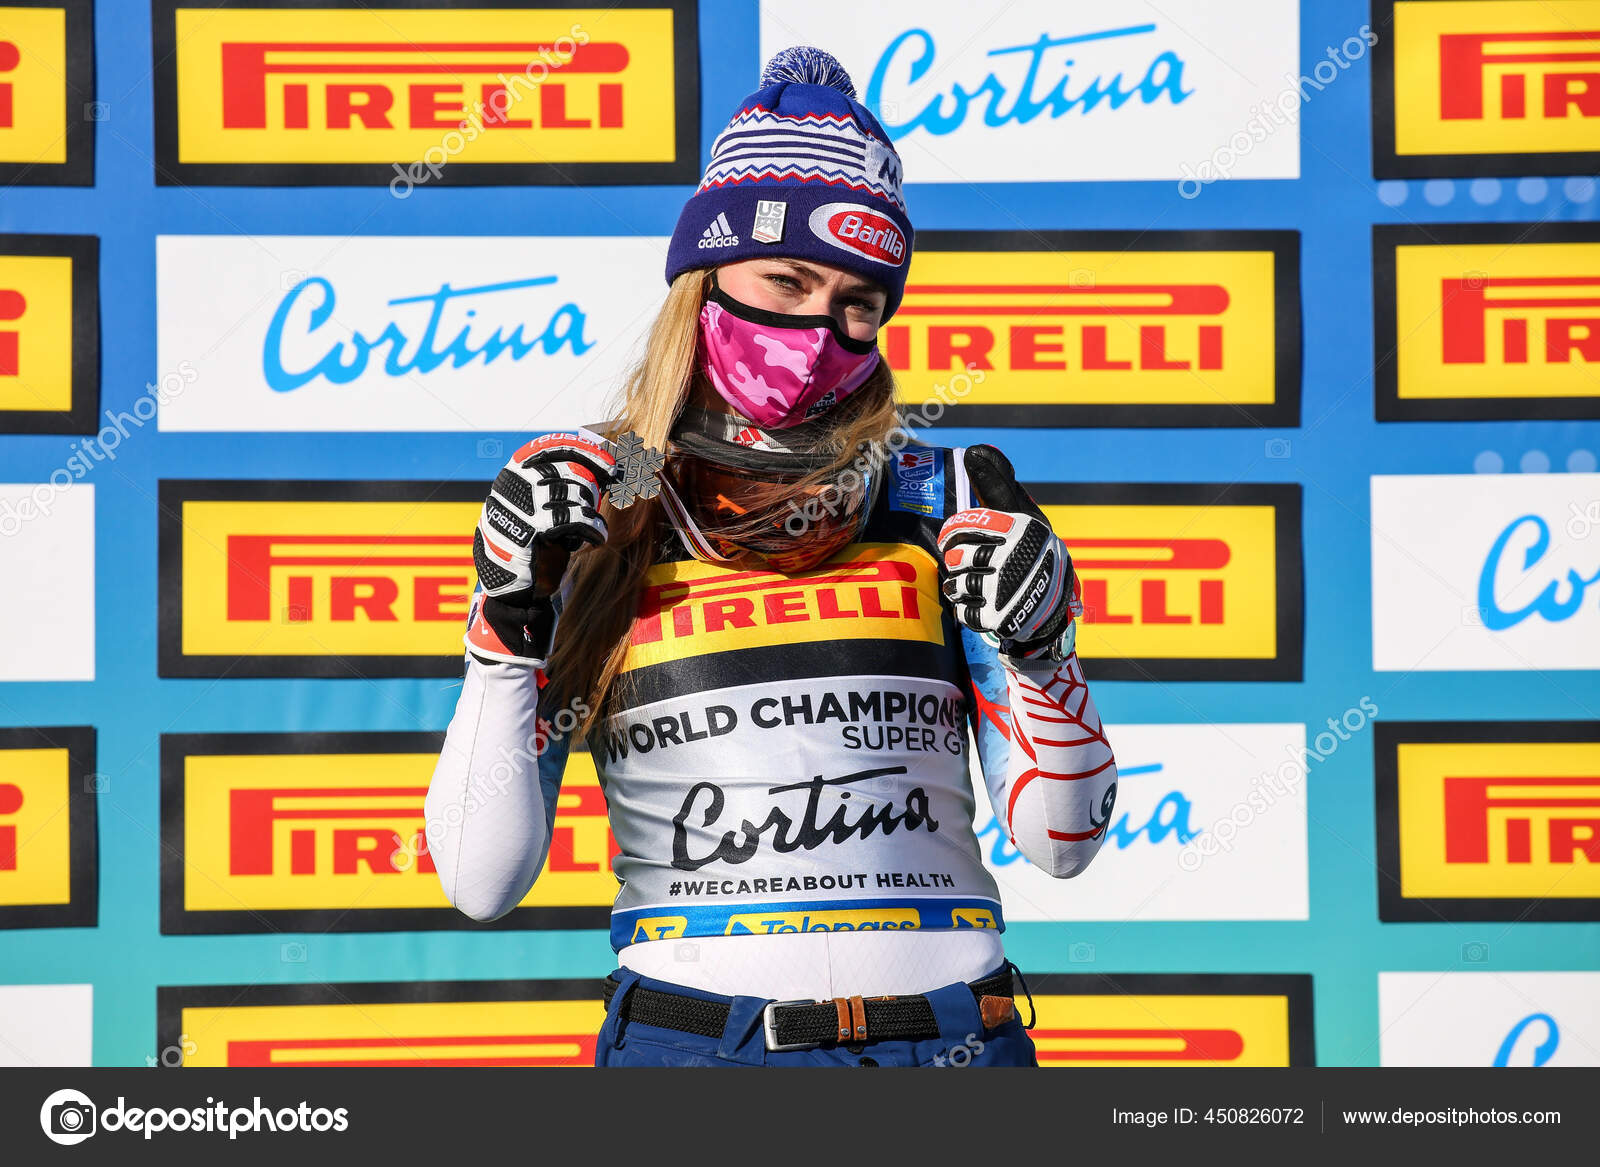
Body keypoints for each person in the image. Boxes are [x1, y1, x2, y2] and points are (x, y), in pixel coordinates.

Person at [425, 47, 1118, 1068]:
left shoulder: (945, 495)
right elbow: (480, 880)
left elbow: (1064, 844)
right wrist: (504, 622)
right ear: (701, 279)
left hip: (952, 1042)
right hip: (695, 1049)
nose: (816, 328)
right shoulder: (594, 498)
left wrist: (1044, 648)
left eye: (857, 302)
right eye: (786, 280)